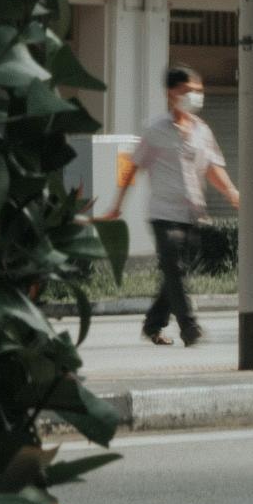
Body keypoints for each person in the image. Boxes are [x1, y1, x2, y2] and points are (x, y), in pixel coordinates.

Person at [100, 66, 239, 347]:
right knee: (175, 269)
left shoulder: (202, 131)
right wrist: (117, 205)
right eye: (187, 91)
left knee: (176, 273)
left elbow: (212, 168)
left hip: (193, 214)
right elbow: (133, 168)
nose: (194, 97)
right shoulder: (155, 131)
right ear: (170, 93)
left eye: (198, 92)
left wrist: (232, 193)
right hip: (163, 214)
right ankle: (190, 328)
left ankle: (153, 324)